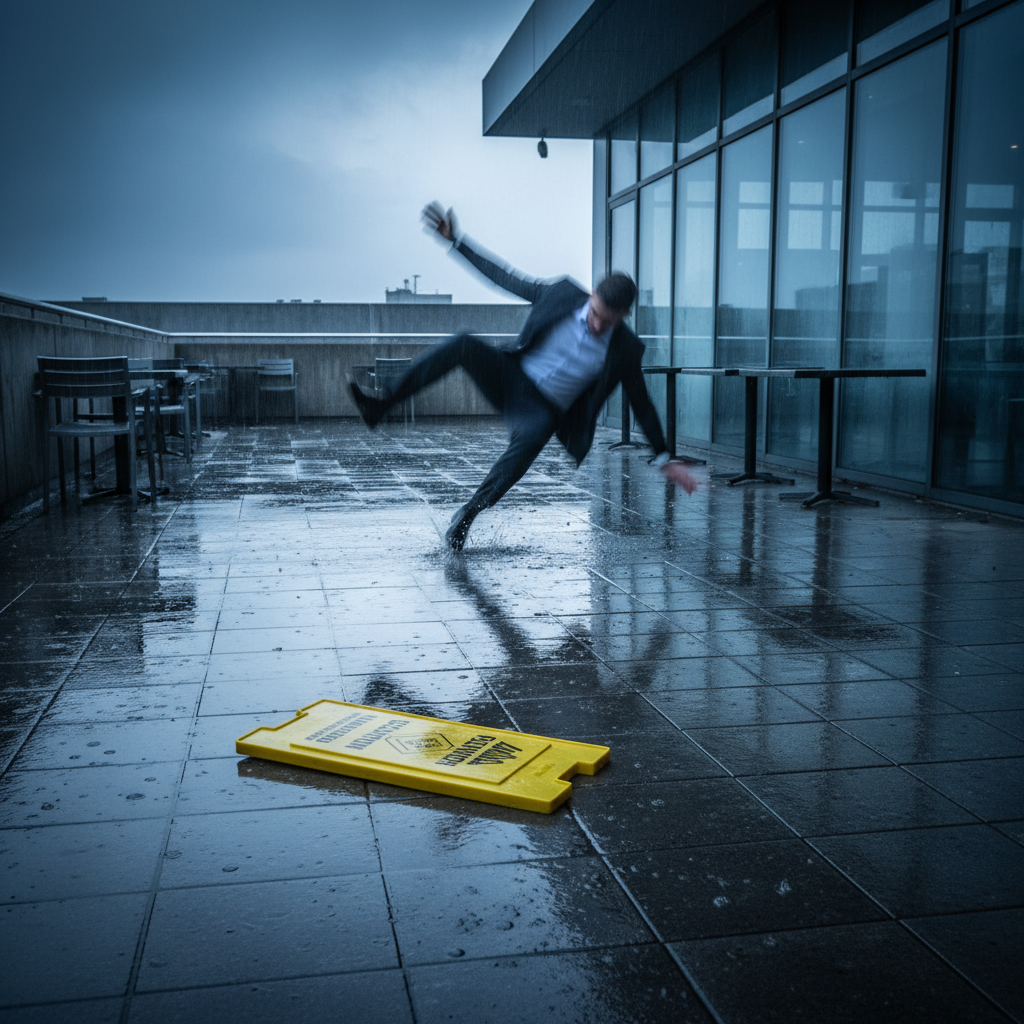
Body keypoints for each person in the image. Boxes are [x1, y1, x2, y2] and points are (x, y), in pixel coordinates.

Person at [348, 201, 700, 551]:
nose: (597, 325)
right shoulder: (561, 293)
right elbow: (506, 278)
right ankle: (382, 405)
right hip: (512, 378)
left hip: (544, 409)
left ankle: (466, 518)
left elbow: (642, 402)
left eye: (607, 321)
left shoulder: (625, 349)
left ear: (623, 315)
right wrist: (457, 241)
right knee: (465, 343)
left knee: (530, 440)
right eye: (594, 314)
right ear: (591, 296)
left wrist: (664, 457)